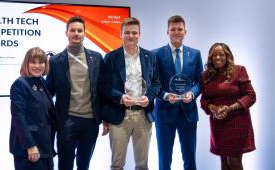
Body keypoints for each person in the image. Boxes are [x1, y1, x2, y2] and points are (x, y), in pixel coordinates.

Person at [100, 17, 161, 170]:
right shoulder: (111, 57)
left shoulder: (150, 57)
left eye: (134, 32)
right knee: (117, 165)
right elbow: (103, 86)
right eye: (127, 32)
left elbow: (156, 83)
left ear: (140, 34)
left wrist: (150, 97)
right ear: (121, 34)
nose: (131, 36)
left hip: (143, 115)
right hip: (120, 115)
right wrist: (120, 98)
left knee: (142, 165)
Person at [45, 16, 103, 170]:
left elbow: (101, 89)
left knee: (84, 165)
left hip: (91, 122)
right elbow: (48, 91)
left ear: (85, 33)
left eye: (80, 30)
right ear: (66, 33)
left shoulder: (96, 58)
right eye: (72, 30)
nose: (76, 33)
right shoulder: (56, 61)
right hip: (66, 121)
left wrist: (107, 119)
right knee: (65, 165)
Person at [152, 15, 203, 170]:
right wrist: (165, 96)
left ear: (185, 31)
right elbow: (154, 83)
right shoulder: (156, 54)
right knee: (164, 158)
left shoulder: (195, 54)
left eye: (179, 29)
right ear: (167, 32)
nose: (176, 32)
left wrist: (192, 94)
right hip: (164, 113)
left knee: (189, 158)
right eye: (173, 29)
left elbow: (200, 82)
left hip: (188, 113)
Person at [200, 42, 256, 170]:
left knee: (233, 161)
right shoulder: (206, 75)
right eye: (214, 55)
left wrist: (229, 108)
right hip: (218, 123)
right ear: (210, 58)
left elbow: (251, 96)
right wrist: (214, 109)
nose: (218, 58)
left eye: (221, 54)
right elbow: (204, 100)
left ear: (227, 56)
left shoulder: (239, 71)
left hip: (237, 122)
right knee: (224, 163)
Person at [9, 47, 56, 170]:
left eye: (41, 62)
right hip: (30, 149)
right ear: (26, 64)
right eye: (33, 62)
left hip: (45, 147)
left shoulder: (41, 81)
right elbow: (18, 118)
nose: (37, 66)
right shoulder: (20, 84)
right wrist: (30, 146)